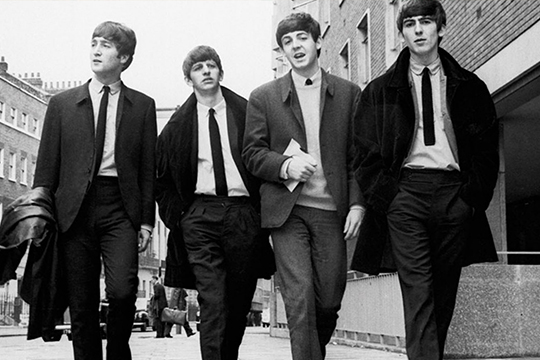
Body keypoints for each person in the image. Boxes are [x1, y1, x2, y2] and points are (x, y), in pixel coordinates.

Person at [351, 1, 499, 359]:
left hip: (454, 197)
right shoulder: (380, 90)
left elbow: (486, 148)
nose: (418, 30)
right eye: (410, 24)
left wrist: (470, 199)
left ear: (441, 29)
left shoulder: (469, 86)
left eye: (426, 22)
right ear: (402, 33)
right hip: (405, 198)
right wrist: (391, 198)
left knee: (443, 295)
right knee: (417, 293)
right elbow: (364, 154)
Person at [242, 12, 364, 360]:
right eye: (287, 42)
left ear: (318, 41)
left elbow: (357, 156)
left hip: (332, 212)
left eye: (301, 38)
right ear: (282, 51)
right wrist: (285, 165)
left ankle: (314, 352)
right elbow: (251, 153)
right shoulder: (263, 97)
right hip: (288, 213)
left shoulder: (347, 93)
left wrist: (357, 204)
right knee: (299, 300)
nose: (295, 46)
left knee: (327, 302)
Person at [33, 21, 157, 360]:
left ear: (125, 57)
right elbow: (46, 167)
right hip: (74, 211)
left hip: (121, 208)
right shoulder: (61, 105)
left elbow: (148, 169)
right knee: (82, 302)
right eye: (94, 43)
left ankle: (118, 353)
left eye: (105, 45)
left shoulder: (143, 106)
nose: (96, 50)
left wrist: (146, 221)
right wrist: (39, 216)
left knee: (121, 292)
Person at [155, 45, 274, 360]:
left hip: (243, 214)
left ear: (220, 72)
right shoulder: (176, 127)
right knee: (212, 300)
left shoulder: (247, 113)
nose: (206, 71)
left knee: (238, 302)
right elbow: (162, 179)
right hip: (200, 216)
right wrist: (179, 218)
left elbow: (266, 160)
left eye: (211, 65)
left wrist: (262, 212)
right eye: (198, 68)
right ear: (189, 78)